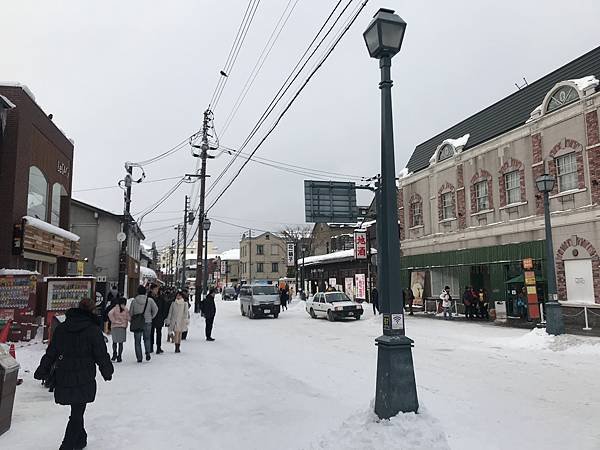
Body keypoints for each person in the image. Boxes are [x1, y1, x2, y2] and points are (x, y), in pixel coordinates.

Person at [34, 298, 113, 450]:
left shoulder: (62, 328)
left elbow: (52, 352)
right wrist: (107, 371)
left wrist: (43, 369)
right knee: (77, 411)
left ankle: (81, 439)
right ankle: (67, 445)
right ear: (91, 311)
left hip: (64, 374)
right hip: (84, 376)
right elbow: (101, 354)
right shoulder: (93, 330)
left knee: (77, 409)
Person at [129, 285, 158, 363]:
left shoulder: (134, 301)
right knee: (147, 338)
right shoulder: (150, 300)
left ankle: (139, 357)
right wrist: (151, 317)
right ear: (145, 292)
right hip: (148, 321)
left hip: (137, 323)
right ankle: (147, 352)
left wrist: (132, 320)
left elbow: (130, 312)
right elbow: (156, 309)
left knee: (137, 341)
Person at [107, 296, 129, 363]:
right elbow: (129, 318)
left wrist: (114, 321)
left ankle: (114, 355)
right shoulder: (126, 309)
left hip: (115, 327)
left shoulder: (115, 308)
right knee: (120, 343)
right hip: (122, 327)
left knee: (114, 342)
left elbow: (109, 314)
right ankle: (119, 356)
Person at [149, 283, 168, 354]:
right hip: (151, 318)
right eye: (155, 289)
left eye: (157, 289)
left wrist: (163, 316)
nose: (156, 290)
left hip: (159, 317)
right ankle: (151, 347)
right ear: (151, 290)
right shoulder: (149, 297)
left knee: (159, 333)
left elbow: (164, 307)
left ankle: (158, 347)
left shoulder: (161, 298)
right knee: (151, 333)